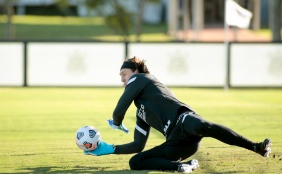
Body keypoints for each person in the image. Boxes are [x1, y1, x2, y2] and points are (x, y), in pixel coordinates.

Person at [84, 56, 272, 173]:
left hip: (184, 120)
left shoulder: (141, 78)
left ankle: (256, 147)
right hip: (177, 142)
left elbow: (120, 107)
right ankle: (182, 166)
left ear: (135, 72)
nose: (122, 79)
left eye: (123, 74)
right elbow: (137, 145)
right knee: (136, 162)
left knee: (205, 126)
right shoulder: (141, 111)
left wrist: (116, 121)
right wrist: (110, 148)